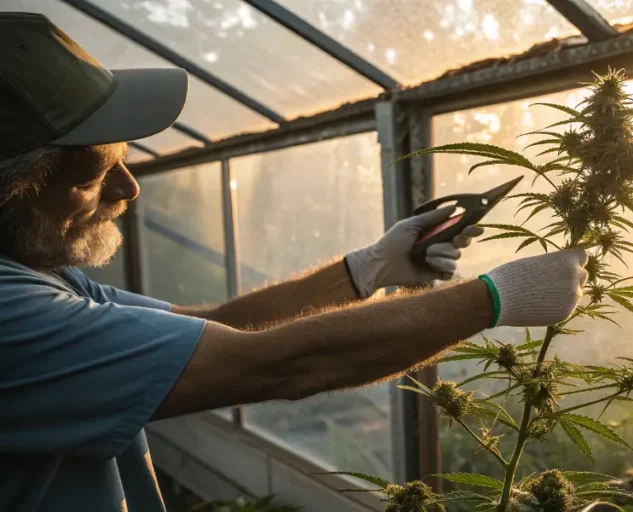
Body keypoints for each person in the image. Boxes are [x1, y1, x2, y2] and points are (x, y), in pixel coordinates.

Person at [0, 13, 588, 512]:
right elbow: (281, 364)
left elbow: (217, 323)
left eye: (125, 161)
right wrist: (494, 297)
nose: (129, 188)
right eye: (95, 175)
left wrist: (369, 269)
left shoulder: (41, 274)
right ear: (13, 190)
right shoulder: (12, 315)